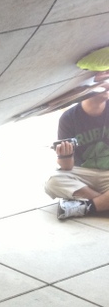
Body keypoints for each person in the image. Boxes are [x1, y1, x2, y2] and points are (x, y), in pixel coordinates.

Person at [46, 89, 109, 220]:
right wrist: (65, 155)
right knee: (52, 182)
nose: (107, 86)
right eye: (102, 82)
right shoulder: (68, 117)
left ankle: (87, 207)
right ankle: (103, 204)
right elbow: (67, 167)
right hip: (82, 174)